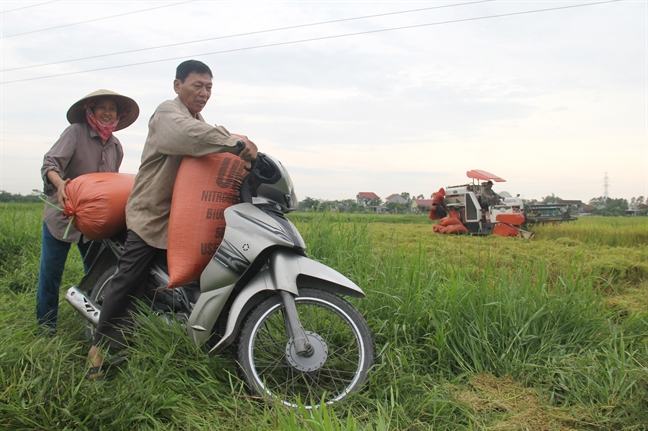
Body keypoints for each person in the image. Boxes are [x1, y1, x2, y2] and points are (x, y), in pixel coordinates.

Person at [87, 60, 258, 378]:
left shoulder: (200, 120)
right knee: (128, 282)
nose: (204, 92)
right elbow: (190, 137)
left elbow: (209, 140)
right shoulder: (168, 114)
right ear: (178, 85)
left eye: (209, 87)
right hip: (151, 215)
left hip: (180, 221)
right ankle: (99, 350)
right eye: (198, 85)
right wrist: (236, 143)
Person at [37, 89, 139, 334]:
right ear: (90, 111)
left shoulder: (116, 146)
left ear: (118, 115)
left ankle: (96, 321)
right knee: (51, 273)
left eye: (111, 109)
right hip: (62, 216)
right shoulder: (75, 133)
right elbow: (50, 164)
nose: (107, 112)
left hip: (92, 223)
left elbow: (110, 184)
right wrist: (61, 184)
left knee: (97, 272)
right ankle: (46, 326)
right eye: (101, 107)